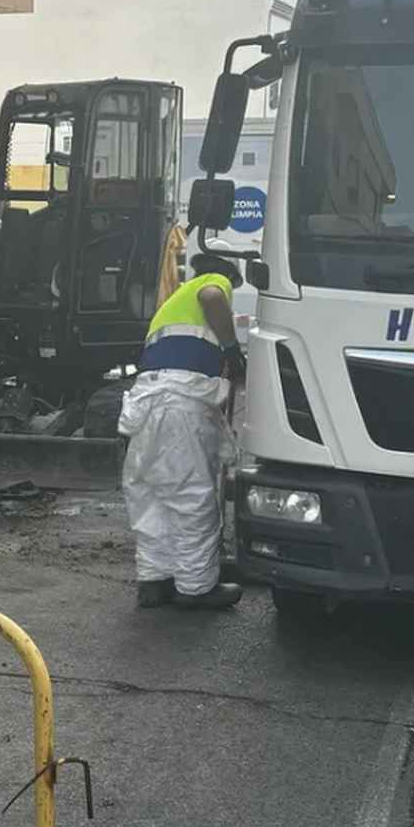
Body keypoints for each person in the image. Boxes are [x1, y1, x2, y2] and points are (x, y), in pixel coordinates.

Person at [119, 253, 246, 610]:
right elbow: (213, 298)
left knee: (152, 496)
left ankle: (154, 582)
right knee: (193, 498)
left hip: (146, 403)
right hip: (179, 404)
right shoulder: (210, 284)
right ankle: (196, 588)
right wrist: (232, 350)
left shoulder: (171, 304)